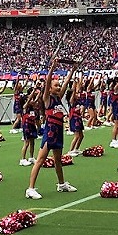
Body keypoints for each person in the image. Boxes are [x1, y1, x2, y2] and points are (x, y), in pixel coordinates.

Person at [25, 59, 79, 200]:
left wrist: (72, 70)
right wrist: (52, 69)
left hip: (59, 134)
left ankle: (61, 184)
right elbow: (48, 80)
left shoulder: (59, 99)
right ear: (50, 88)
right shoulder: (47, 99)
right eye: (56, 85)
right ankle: (30, 188)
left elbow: (67, 82)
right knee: (40, 160)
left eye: (59, 85)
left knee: (58, 161)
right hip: (49, 135)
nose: (58, 87)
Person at [19, 88, 40, 166]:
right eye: (29, 99)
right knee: (26, 143)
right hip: (26, 126)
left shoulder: (32, 107)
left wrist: (41, 89)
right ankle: (22, 159)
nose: (32, 100)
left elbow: (37, 97)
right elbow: (29, 100)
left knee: (32, 142)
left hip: (32, 125)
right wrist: (34, 90)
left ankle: (31, 157)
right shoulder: (24, 107)